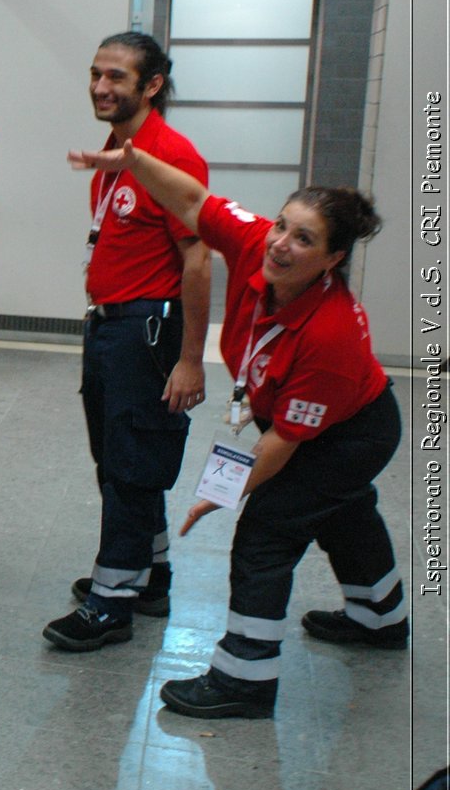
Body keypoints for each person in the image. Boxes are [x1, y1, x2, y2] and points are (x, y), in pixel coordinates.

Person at [68, 142, 406, 719]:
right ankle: (380, 617)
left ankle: (245, 676)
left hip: (351, 434)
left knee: (268, 532)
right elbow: (195, 200)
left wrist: (217, 495)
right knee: (343, 510)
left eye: (304, 239)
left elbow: (283, 444)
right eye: (283, 225)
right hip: (313, 420)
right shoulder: (258, 245)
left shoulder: (329, 336)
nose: (281, 243)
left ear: (332, 260)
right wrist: (133, 162)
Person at [43, 33, 210, 652]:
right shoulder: (120, 149)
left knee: (131, 467)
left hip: (146, 330)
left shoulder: (169, 157)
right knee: (119, 461)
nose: (100, 87)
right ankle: (152, 575)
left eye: (116, 77)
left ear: (152, 86)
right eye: (95, 74)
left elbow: (198, 260)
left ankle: (111, 602)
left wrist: (190, 360)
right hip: (112, 325)